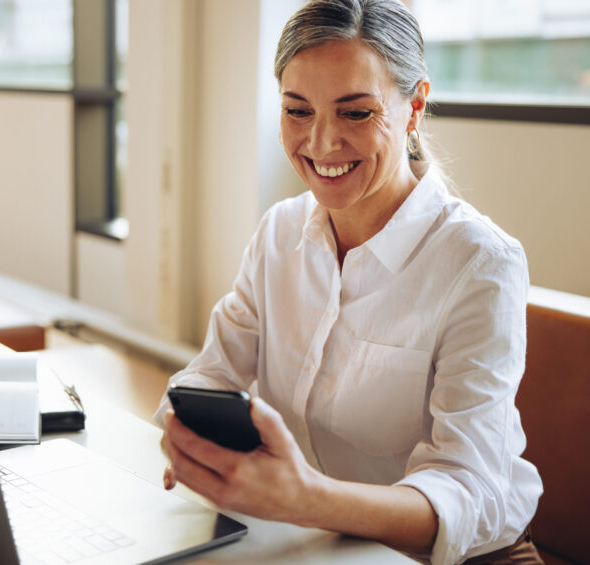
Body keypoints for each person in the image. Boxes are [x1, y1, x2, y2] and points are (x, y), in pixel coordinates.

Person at [154, 1, 543, 563]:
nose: (321, 142)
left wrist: (308, 499)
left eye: (355, 113)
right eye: (297, 111)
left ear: (415, 106)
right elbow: (211, 375)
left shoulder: (480, 264)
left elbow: (468, 491)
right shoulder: (279, 233)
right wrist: (187, 435)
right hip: (318, 539)